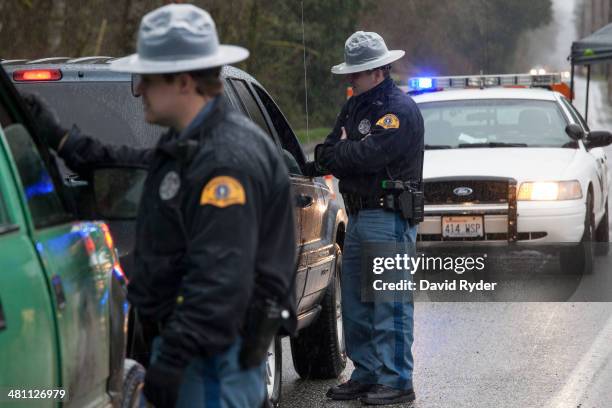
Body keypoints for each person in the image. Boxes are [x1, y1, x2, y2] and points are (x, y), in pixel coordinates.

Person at [24, 4, 296, 407]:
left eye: (147, 79)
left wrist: (168, 364)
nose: (138, 90)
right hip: (201, 353)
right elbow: (140, 165)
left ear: (183, 81)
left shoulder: (225, 162)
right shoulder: (194, 144)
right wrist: (64, 142)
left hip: (213, 363)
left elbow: (218, 283)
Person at [305, 31, 424, 405]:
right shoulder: (355, 106)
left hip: (388, 215)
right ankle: (368, 374)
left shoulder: (397, 110)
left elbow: (366, 156)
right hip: (357, 214)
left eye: (354, 75)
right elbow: (327, 152)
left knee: (388, 302)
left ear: (377, 70)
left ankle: (397, 380)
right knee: (358, 303)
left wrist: (342, 150)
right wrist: (342, 150)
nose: (349, 81)